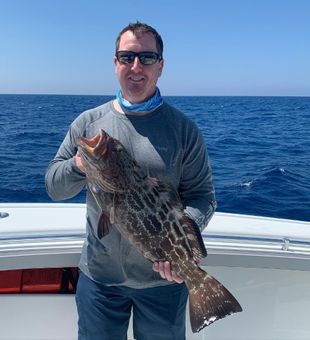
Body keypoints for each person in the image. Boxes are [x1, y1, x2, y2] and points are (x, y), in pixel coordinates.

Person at [45, 22, 216, 340]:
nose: (136, 67)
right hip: (100, 281)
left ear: (161, 66)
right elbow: (54, 187)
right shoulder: (88, 123)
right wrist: (81, 164)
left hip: (164, 284)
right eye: (127, 57)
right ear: (115, 64)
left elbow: (203, 196)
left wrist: (181, 242)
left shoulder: (183, 130)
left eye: (147, 58)